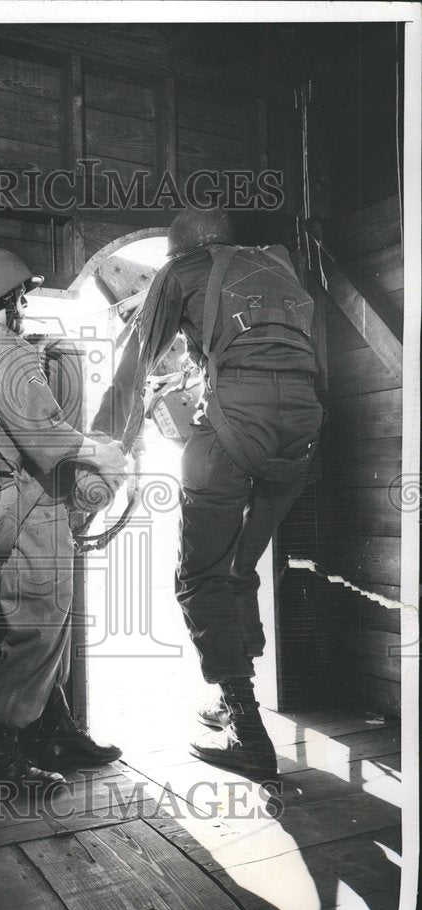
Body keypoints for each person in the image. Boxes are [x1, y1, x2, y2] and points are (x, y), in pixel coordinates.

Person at [91, 206, 323, 777]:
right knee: (241, 570)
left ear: (182, 249)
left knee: (200, 576)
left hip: (231, 426)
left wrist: (102, 445)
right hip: (304, 429)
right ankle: (231, 697)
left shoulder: (183, 271)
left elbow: (136, 360)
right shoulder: (280, 275)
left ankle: (248, 730)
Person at [0, 248, 127, 791]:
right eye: (19, 295)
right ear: (4, 300)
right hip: (32, 505)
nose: (23, 305)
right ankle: (0, 759)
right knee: (41, 629)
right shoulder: (10, 352)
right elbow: (44, 434)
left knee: (32, 624)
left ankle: (53, 729)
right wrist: (101, 453)